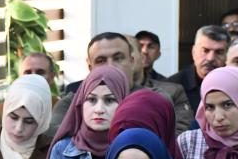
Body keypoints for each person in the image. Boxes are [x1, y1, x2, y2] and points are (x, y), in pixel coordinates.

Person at [51, 32, 191, 135]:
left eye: (118, 58)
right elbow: (52, 132)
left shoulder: (155, 99)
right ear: (90, 66)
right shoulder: (73, 101)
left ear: (132, 61)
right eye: (101, 60)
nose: (110, 66)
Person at [45, 65, 130, 159]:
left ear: (123, 103)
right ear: (80, 103)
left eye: (109, 100)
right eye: (91, 99)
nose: (99, 109)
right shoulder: (62, 150)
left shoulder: (133, 148)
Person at [125, 34, 194, 134]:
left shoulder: (171, 91)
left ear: (141, 57)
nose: (145, 51)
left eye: (122, 55)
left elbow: (182, 134)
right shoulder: (103, 92)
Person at [169, 25, 231, 112]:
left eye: (219, 52)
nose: (210, 58)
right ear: (193, 52)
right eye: (205, 50)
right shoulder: (172, 87)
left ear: (228, 56)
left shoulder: (234, 85)